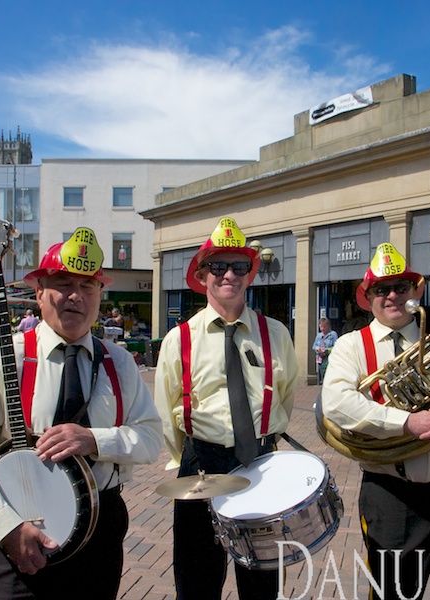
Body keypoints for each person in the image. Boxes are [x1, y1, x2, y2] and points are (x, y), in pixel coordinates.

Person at [0, 227, 162, 599]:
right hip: (16, 528)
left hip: (99, 535)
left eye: (87, 285)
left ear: (100, 295)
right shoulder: (9, 358)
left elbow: (152, 439)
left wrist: (95, 439)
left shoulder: (119, 363)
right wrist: (6, 527)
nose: (75, 295)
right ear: (39, 292)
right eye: (62, 283)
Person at [321, 243, 430, 600]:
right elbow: (336, 403)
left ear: (416, 291)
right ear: (367, 297)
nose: (393, 296)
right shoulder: (352, 346)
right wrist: (407, 423)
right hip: (392, 497)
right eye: (382, 289)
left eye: (401, 287)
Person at [154, 216, 299, 600]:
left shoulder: (277, 333)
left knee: (264, 583)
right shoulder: (178, 339)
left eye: (238, 265)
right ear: (202, 275)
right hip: (200, 466)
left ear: (250, 274)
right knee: (197, 580)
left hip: (261, 467)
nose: (228, 274)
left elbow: (285, 396)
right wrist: (185, 459)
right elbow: (167, 414)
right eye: (217, 265)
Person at [312, 317, 338, 384]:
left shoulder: (333, 334)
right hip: (320, 358)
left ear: (328, 326)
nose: (322, 329)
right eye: (321, 327)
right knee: (323, 376)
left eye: (324, 327)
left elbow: (336, 347)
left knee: (328, 376)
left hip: (329, 358)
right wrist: (317, 349)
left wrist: (326, 350)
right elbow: (314, 346)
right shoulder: (319, 335)